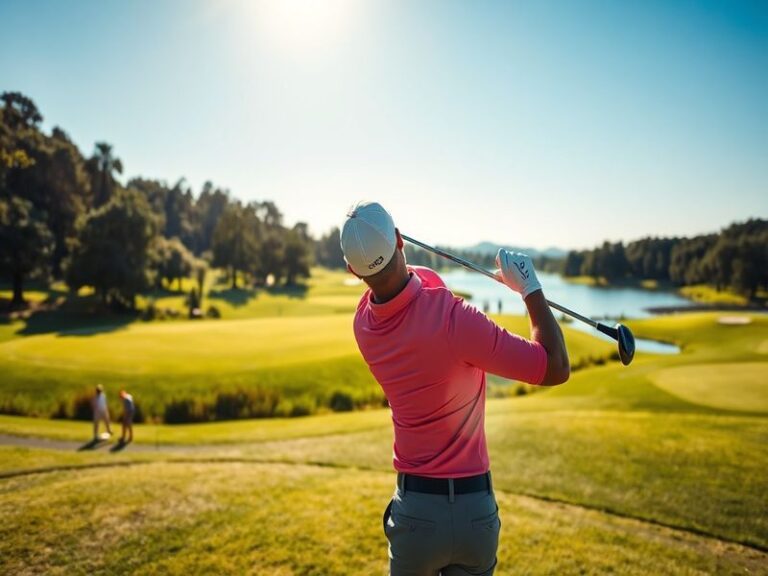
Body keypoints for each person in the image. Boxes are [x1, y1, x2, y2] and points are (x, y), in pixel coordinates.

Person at [341, 201, 570, 576]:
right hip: (473, 514)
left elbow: (420, 285)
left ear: (352, 271)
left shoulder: (364, 327)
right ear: (400, 239)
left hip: (415, 516)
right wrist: (530, 288)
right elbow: (555, 366)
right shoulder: (453, 318)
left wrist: (389, 254)